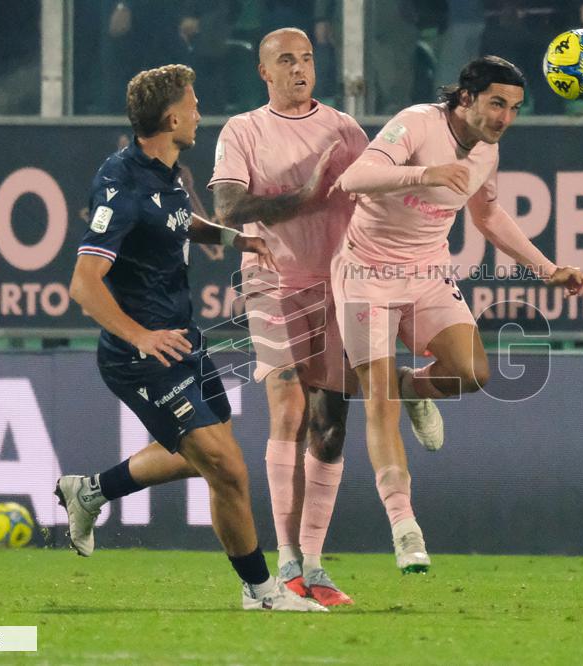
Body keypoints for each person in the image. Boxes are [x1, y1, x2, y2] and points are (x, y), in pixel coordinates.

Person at [57, 64, 325, 612]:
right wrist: (140, 337)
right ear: (172, 115)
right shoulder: (124, 183)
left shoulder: (168, 173)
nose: (200, 112)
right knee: (227, 467)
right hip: (144, 356)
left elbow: (180, 221)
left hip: (186, 340)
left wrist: (234, 238)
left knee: (200, 459)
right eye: (194, 103)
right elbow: (84, 283)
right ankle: (261, 590)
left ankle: (89, 492)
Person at [330, 56, 583, 572]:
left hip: (427, 272)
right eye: (497, 103)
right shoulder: (418, 122)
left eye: (514, 108)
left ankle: (413, 387)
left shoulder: (487, 151)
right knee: (378, 402)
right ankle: (406, 529)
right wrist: (427, 172)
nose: (504, 118)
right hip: (366, 272)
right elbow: (353, 179)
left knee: (472, 373)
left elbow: (487, 212)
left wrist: (546, 268)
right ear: (466, 98)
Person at [206, 27, 370, 606]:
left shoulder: (346, 131)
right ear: (264, 72)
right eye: (285, 61)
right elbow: (226, 209)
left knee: (330, 426)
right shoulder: (242, 131)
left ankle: (315, 568)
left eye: (306, 59)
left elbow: (374, 199)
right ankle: (286, 562)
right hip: (272, 282)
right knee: (289, 407)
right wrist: (301, 196)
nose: (299, 69)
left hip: (337, 285)